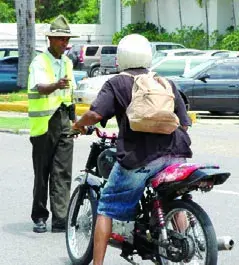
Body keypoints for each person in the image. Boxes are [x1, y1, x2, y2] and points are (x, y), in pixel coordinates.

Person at [72, 34, 192, 265]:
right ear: (148, 56)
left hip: (140, 157)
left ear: (120, 58)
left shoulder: (117, 83)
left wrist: (77, 125)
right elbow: (184, 124)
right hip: (176, 153)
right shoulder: (163, 82)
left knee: (106, 205)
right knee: (173, 196)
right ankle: (183, 245)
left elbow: (95, 115)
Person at [28, 15, 78, 233]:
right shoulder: (39, 62)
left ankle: (60, 218)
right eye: (60, 39)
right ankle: (39, 216)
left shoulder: (68, 62)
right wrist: (56, 85)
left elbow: (71, 94)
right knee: (43, 173)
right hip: (45, 124)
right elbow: (40, 88)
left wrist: (76, 121)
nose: (64, 44)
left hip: (64, 121)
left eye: (66, 40)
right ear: (50, 39)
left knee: (63, 172)